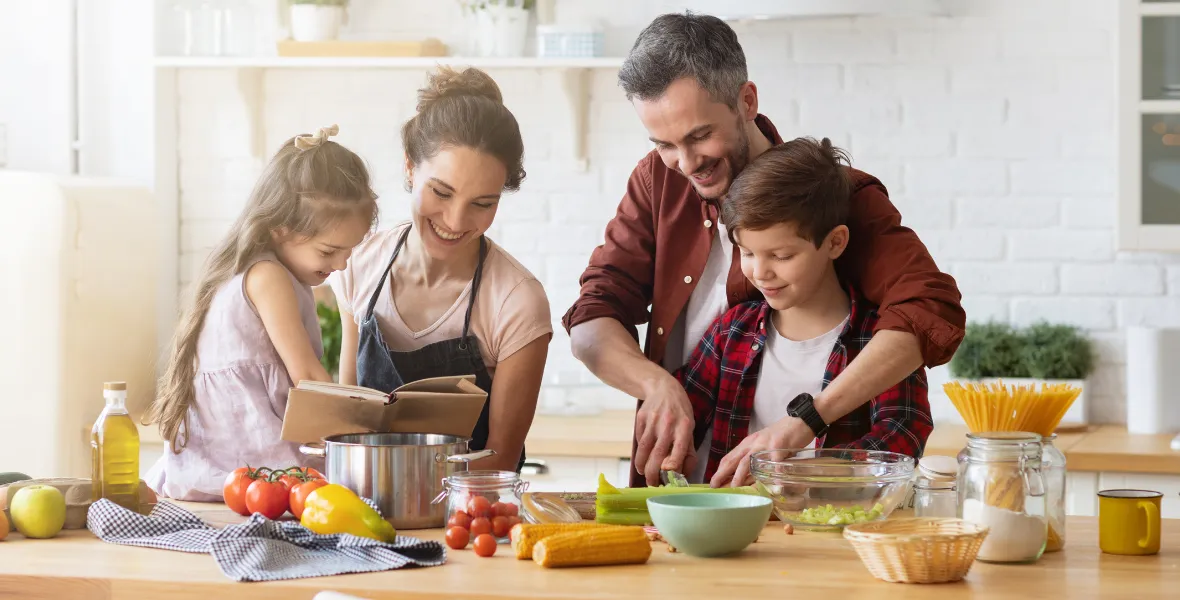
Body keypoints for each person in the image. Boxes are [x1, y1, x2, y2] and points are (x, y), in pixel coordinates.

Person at [562, 12, 964, 487]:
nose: (686, 164)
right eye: (664, 144)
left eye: (699, 136)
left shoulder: (833, 195)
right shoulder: (657, 180)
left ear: (746, 100)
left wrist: (806, 424)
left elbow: (928, 308)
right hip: (693, 491)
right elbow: (591, 318)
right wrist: (656, 385)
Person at [675, 137, 933, 488]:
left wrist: (796, 476)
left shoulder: (881, 341)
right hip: (734, 528)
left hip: (832, 531)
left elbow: (902, 437)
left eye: (781, 256)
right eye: (747, 253)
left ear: (835, 242)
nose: (760, 272)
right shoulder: (730, 332)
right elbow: (683, 417)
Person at [329, 66, 552, 473]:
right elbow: (349, 422)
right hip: (367, 508)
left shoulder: (516, 301)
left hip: (469, 518)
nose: (455, 220)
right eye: (441, 192)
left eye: (482, 204)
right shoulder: (358, 266)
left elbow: (500, 460)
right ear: (411, 168)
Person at [144, 125, 378, 500]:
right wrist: (359, 429)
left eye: (349, 251)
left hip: (225, 463)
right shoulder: (268, 277)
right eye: (329, 251)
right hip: (249, 461)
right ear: (280, 230)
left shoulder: (261, 269)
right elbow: (306, 376)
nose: (341, 263)